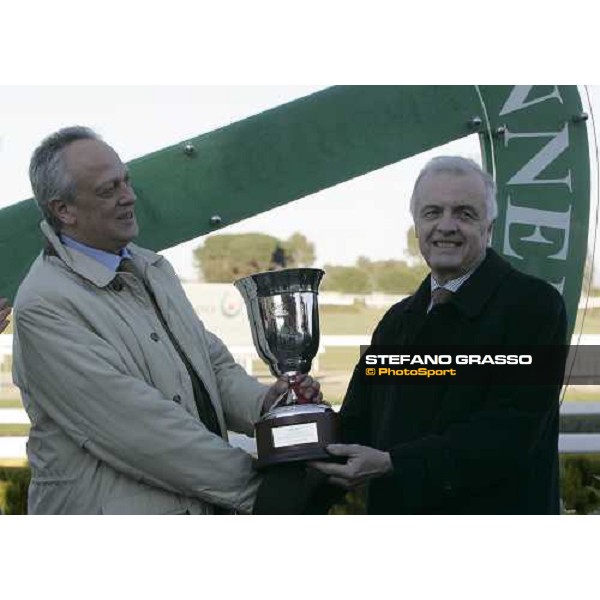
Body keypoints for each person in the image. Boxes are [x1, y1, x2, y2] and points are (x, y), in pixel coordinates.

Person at [12, 126, 321, 514]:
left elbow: (212, 366)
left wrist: (269, 403)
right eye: (108, 190)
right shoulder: (45, 305)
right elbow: (140, 431)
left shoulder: (154, 268)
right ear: (64, 210)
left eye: (126, 181)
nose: (129, 197)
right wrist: (265, 492)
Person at [312, 156, 567, 514]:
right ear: (416, 226)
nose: (446, 226)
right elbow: (357, 424)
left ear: (489, 227)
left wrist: (393, 462)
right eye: (432, 212)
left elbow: (509, 432)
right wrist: (297, 423)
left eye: (464, 213)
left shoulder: (534, 307)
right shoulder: (396, 321)